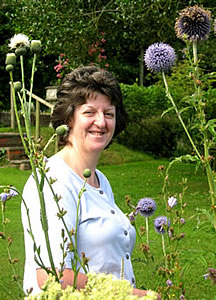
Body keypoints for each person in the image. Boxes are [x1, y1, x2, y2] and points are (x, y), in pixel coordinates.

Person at [21, 66, 159, 298]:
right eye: (89, 112)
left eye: (108, 113)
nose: (101, 122)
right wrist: (134, 294)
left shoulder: (99, 180)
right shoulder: (52, 182)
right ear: (69, 118)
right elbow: (51, 276)